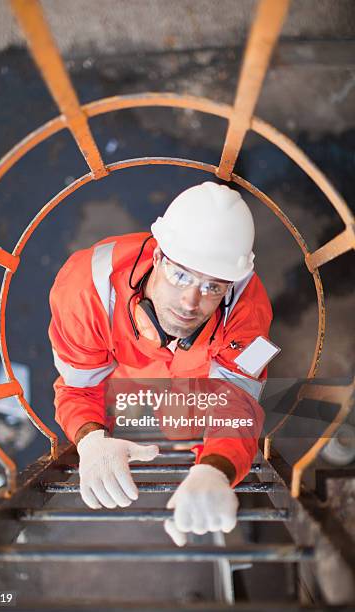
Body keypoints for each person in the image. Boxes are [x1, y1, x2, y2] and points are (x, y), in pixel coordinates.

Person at [48, 182, 273, 546]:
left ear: (230, 284)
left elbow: (239, 401)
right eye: (180, 274)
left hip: (197, 383)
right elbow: (78, 386)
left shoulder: (249, 312)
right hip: (127, 368)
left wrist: (214, 468)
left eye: (212, 286)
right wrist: (90, 438)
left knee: (183, 427)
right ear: (157, 257)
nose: (190, 302)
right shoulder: (84, 291)